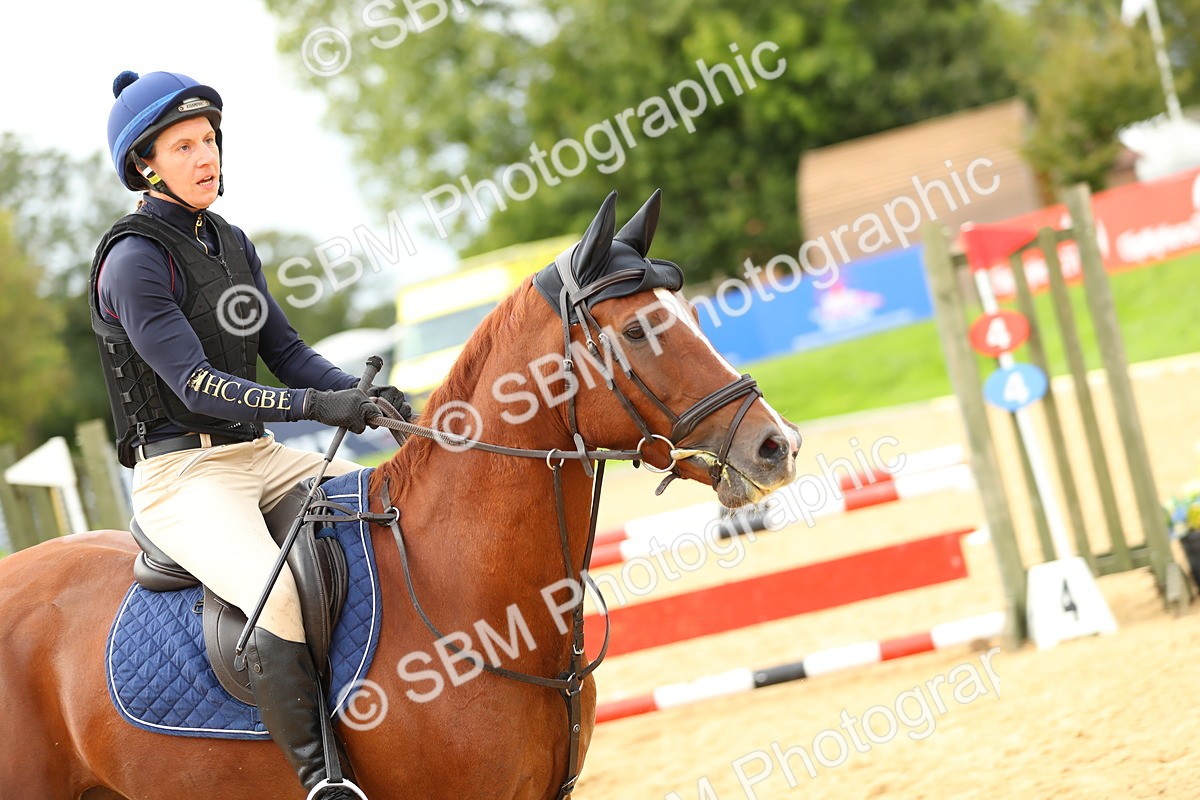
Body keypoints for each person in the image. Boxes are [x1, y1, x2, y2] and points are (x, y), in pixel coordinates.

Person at [94, 70, 408, 800]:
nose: (206, 158)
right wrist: (313, 406)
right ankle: (322, 780)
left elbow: (289, 351)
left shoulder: (229, 242)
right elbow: (195, 384)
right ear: (146, 164)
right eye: (184, 146)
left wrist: (361, 398)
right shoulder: (134, 262)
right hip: (185, 478)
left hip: (259, 456)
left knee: (397, 503)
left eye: (209, 141)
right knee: (278, 599)